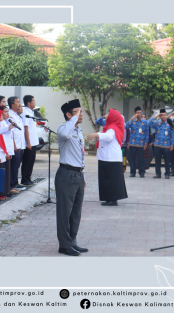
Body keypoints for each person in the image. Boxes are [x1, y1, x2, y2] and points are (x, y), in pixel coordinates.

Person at [56, 99, 87, 256]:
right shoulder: (64, 129)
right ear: (68, 115)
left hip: (78, 174)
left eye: (81, 112)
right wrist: (73, 119)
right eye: (77, 112)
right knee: (64, 212)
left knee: (76, 212)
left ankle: (72, 241)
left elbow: (80, 155)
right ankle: (64, 245)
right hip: (66, 174)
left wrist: (84, 175)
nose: (80, 115)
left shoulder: (78, 131)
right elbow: (65, 134)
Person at [88, 108, 128, 206]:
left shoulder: (113, 127)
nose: (106, 116)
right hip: (108, 157)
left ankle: (112, 200)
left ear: (113, 117)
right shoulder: (109, 126)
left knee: (111, 180)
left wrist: (95, 134)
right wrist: (98, 134)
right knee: (107, 179)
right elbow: (105, 134)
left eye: (108, 114)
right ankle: (109, 199)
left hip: (111, 158)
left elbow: (109, 136)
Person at [0, 105, 20, 195]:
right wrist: (7, 151)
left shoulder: (6, 122)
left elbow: (10, 138)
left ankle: (9, 188)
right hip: (4, 151)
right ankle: (7, 189)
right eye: (5, 112)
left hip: (8, 150)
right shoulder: (0, 124)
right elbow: (3, 140)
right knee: (6, 171)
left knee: (9, 170)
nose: (8, 114)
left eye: (8, 112)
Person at [125, 106, 149, 178]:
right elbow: (126, 127)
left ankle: (141, 172)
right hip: (133, 143)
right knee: (132, 158)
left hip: (141, 144)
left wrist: (146, 143)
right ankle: (133, 172)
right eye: (137, 113)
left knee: (141, 158)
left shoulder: (145, 122)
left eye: (140, 113)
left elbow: (146, 133)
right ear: (135, 113)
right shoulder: (132, 121)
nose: (139, 114)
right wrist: (132, 118)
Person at [149, 109, 173, 179]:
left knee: (167, 160)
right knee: (157, 160)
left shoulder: (169, 124)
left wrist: (172, 145)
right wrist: (155, 117)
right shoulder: (157, 123)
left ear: (167, 116)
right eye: (161, 115)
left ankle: (167, 173)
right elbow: (149, 123)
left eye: (164, 115)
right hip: (157, 145)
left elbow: (173, 135)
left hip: (166, 145)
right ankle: (158, 174)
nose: (163, 116)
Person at [8, 97, 26, 192]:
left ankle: (14, 184)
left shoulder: (16, 115)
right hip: (15, 146)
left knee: (16, 166)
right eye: (18, 102)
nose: (20, 104)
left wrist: (22, 146)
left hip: (19, 145)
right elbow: (12, 132)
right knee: (13, 167)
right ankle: (11, 185)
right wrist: (15, 145)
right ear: (12, 105)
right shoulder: (10, 115)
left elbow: (20, 132)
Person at [20, 95, 39, 187]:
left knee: (31, 161)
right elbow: (26, 128)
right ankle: (25, 179)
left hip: (34, 141)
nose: (35, 103)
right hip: (29, 142)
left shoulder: (31, 112)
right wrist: (28, 142)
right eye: (33, 101)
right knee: (27, 161)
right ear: (28, 103)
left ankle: (28, 178)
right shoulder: (25, 113)